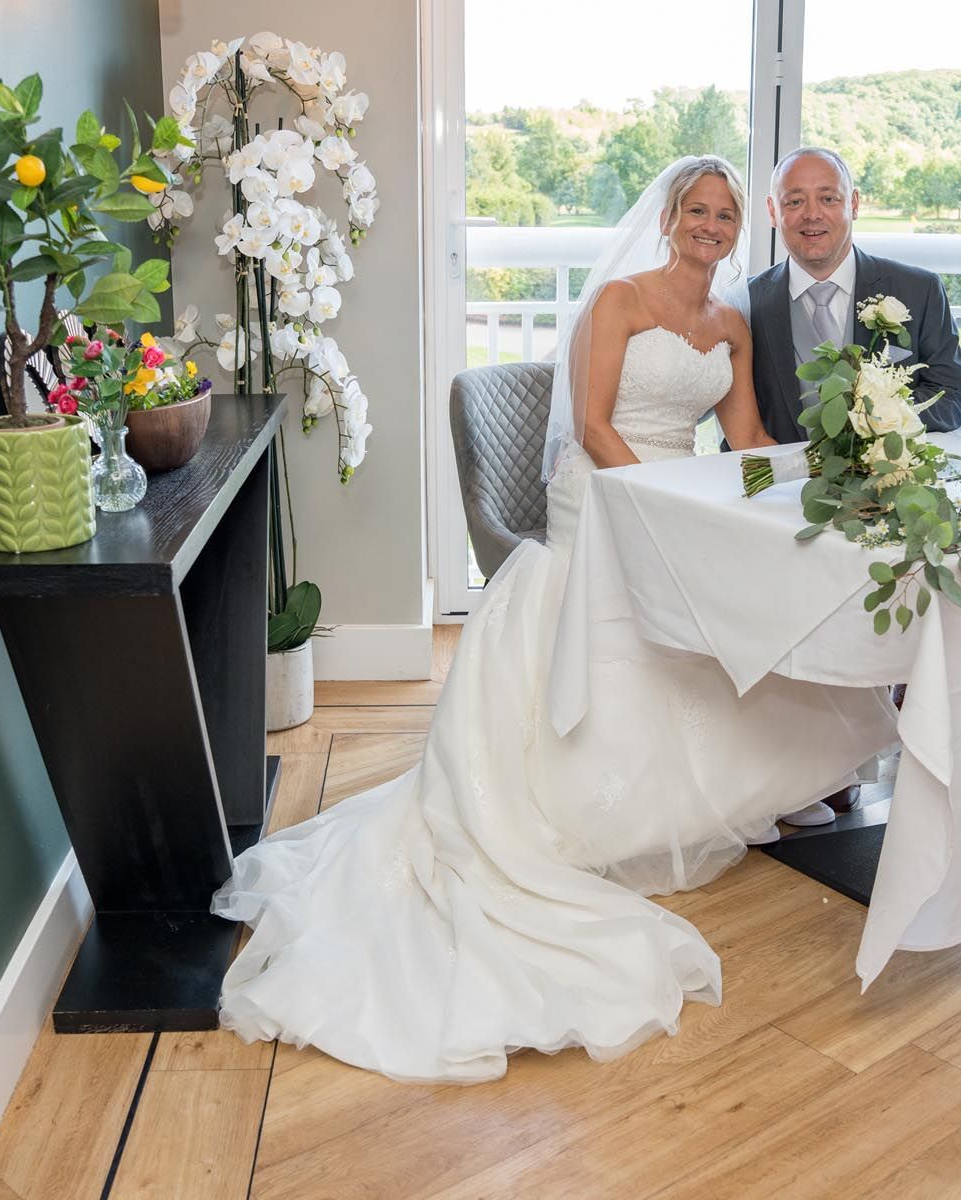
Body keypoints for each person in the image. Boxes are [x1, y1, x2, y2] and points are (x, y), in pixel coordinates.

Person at [212, 157, 898, 1084]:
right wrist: (661, 506)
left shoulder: (730, 322)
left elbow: (741, 446)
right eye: (697, 210)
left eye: (727, 214)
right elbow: (591, 422)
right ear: (667, 217)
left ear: (744, 227)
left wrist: (816, 469)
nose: (711, 225)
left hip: (675, 500)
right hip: (606, 495)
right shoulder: (619, 301)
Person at [748, 145, 961, 825]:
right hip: (792, 503)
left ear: (854, 204)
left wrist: (885, 428)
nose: (811, 214)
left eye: (827, 196)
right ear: (773, 212)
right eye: (794, 200)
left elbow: (957, 394)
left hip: (888, 490)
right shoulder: (749, 301)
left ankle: (894, 727)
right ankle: (819, 752)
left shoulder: (915, 288)